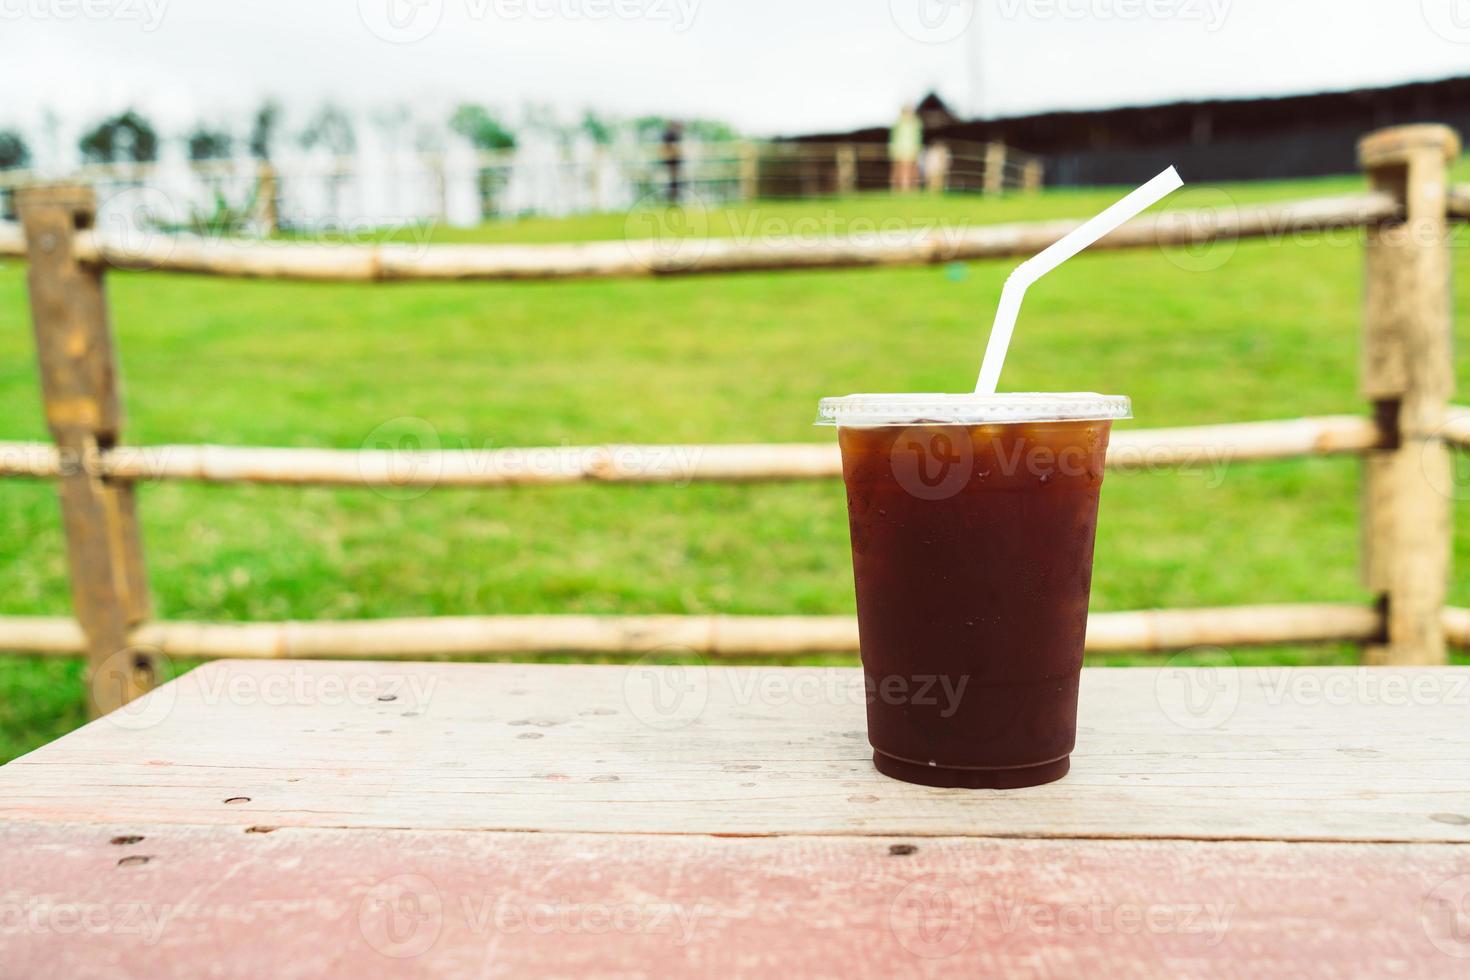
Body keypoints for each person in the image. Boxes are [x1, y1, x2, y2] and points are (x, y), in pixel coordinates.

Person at [889, 105, 922, 193]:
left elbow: (918, 138)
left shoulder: (916, 123)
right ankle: (899, 189)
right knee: (899, 169)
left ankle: (911, 189)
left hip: (911, 150)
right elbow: (894, 138)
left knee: (912, 169)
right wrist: (894, 151)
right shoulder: (898, 123)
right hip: (900, 150)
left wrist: (917, 149)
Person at [661, 120, 684, 203]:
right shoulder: (670, 135)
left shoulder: (675, 135)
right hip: (671, 161)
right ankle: (672, 197)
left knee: (674, 180)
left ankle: (674, 197)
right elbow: (670, 148)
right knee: (672, 180)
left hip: (674, 161)